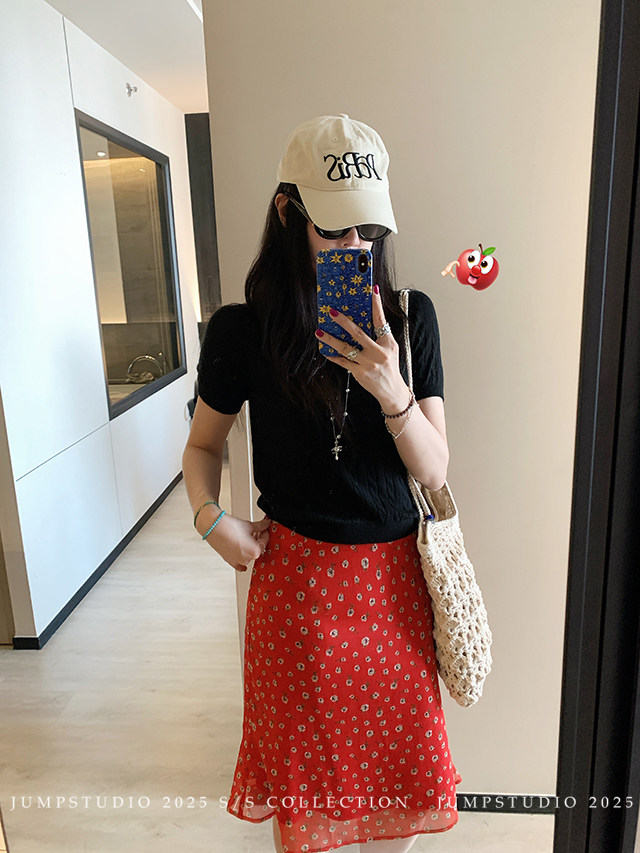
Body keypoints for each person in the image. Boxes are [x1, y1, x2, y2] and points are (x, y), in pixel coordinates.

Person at [182, 114, 462, 853]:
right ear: (288, 212)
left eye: (369, 228)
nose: (356, 247)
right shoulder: (243, 331)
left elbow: (435, 471)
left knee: (397, 798)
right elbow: (203, 446)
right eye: (335, 228)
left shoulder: (411, 318)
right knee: (305, 814)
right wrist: (212, 520)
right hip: (296, 599)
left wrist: (391, 388)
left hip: (396, 595)